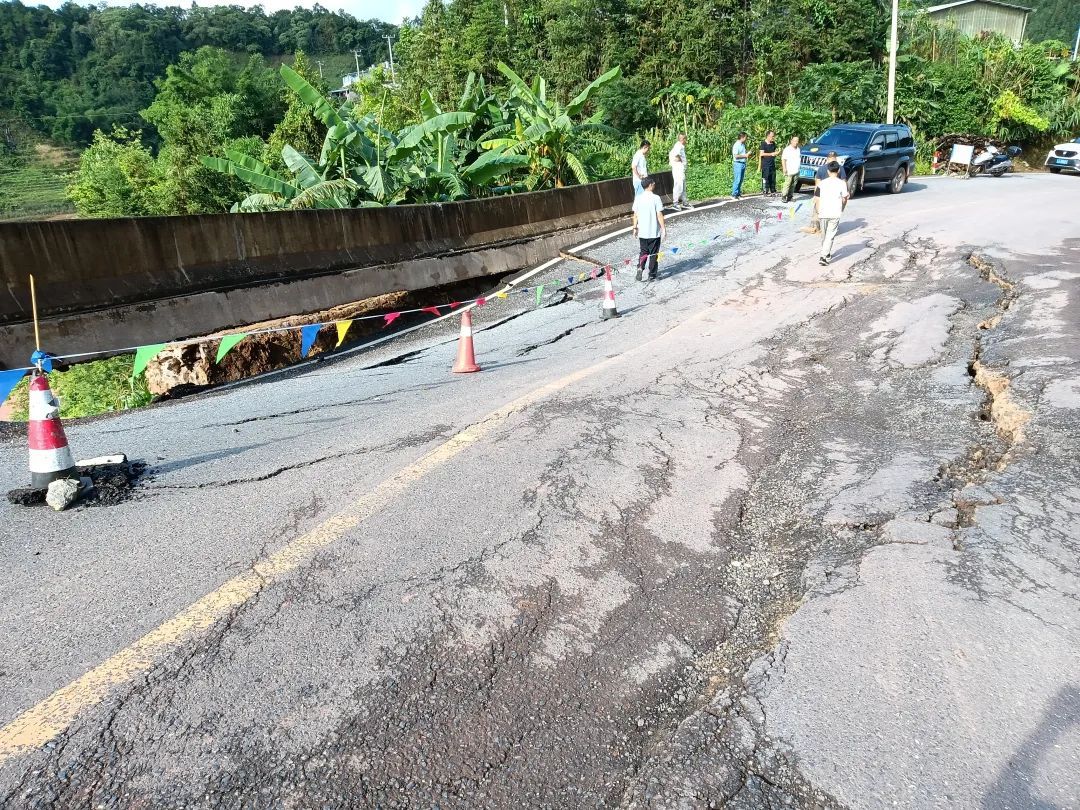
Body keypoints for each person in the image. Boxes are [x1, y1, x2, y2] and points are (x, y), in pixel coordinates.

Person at [632, 175, 666, 282]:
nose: (655, 184)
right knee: (653, 254)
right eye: (654, 183)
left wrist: (634, 228)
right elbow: (659, 214)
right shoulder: (656, 198)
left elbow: (635, 215)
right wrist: (663, 228)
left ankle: (640, 268)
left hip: (642, 232)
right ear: (650, 185)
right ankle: (651, 274)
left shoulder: (638, 198)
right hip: (653, 232)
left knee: (643, 252)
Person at [805, 151, 848, 234]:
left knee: (819, 211)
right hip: (831, 196)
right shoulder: (836, 168)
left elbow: (817, 184)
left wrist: (816, 196)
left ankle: (820, 229)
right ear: (828, 159)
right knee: (825, 213)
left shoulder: (838, 168)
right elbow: (844, 182)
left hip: (827, 195)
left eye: (833, 159)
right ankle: (819, 228)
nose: (832, 161)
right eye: (831, 159)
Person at [817, 161, 849, 266]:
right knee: (829, 236)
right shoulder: (842, 183)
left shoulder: (821, 183)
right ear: (838, 170)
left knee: (824, 235)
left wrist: (818, 211)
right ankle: (824, 255)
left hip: (823, 212)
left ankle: (824, 254)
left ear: (827, 171)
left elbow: (816, 198)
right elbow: (845, 197)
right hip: (835, 212)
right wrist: (842, 206)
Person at [668, 133, 689, 209]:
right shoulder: (678, 145)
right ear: (682, 139)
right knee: (678, 185)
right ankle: (675, 203)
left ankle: (684, 202)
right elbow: (676, 155)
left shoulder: (680, 146)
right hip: (678, 168)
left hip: (680, 168)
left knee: (683, 185)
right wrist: (681, 161)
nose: (686, 141)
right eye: (685, 139)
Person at [780, 136, 801, 202]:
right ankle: (784, 196)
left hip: (796, 170)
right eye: (794, 141)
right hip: (789, 170)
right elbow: (783, 159)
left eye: (797, 141)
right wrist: (784, 168)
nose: (796, 142)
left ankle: (790, 196)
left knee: (793, 184)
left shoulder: (798, 149)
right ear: (791, 141)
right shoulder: (787, 149)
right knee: (787, 184)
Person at [758, 130, 778, 196]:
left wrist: (778, 152)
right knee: (765, 177)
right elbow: (761, 154)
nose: (773, 138)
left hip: (772, 163)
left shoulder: (773, 143)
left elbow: (775, 152)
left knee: (772, 177)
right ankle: (765, 191)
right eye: (772, 136)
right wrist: (771, 154)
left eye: (773, 136)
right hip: (765, 164)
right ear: (768, 136)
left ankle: (773, 191)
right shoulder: (763, 143)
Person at [731, 132, 749, 199]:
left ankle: (738, 193)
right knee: (737, 179)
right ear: (742, 137)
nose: (746, 139)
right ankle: (734, 194)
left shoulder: (742, 145)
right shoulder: (736, 145)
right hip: (738, 163)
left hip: (743, 163)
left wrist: (747, 154)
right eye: (745, 137)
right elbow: (736, 156)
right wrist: (745, 155)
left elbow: (743, 154)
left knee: (741, 179)